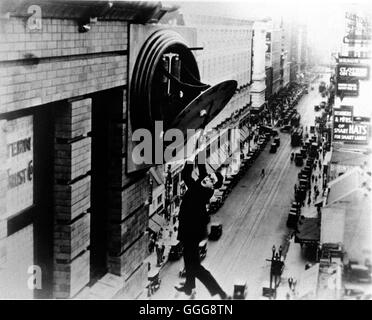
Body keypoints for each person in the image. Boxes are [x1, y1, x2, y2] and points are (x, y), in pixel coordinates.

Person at [175, 155, 229, 299]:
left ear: (213, 186)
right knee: (188, 259)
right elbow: (203, 168)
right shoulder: (204, 181)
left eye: (211, 180)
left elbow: (186, 175)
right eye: (210, 176)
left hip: (192, 230)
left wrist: (190, 158)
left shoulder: (201, 192)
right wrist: (196, 151)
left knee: (195, 266)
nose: (207, 178)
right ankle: (189, 286)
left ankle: (220, 292)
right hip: (190, 226)